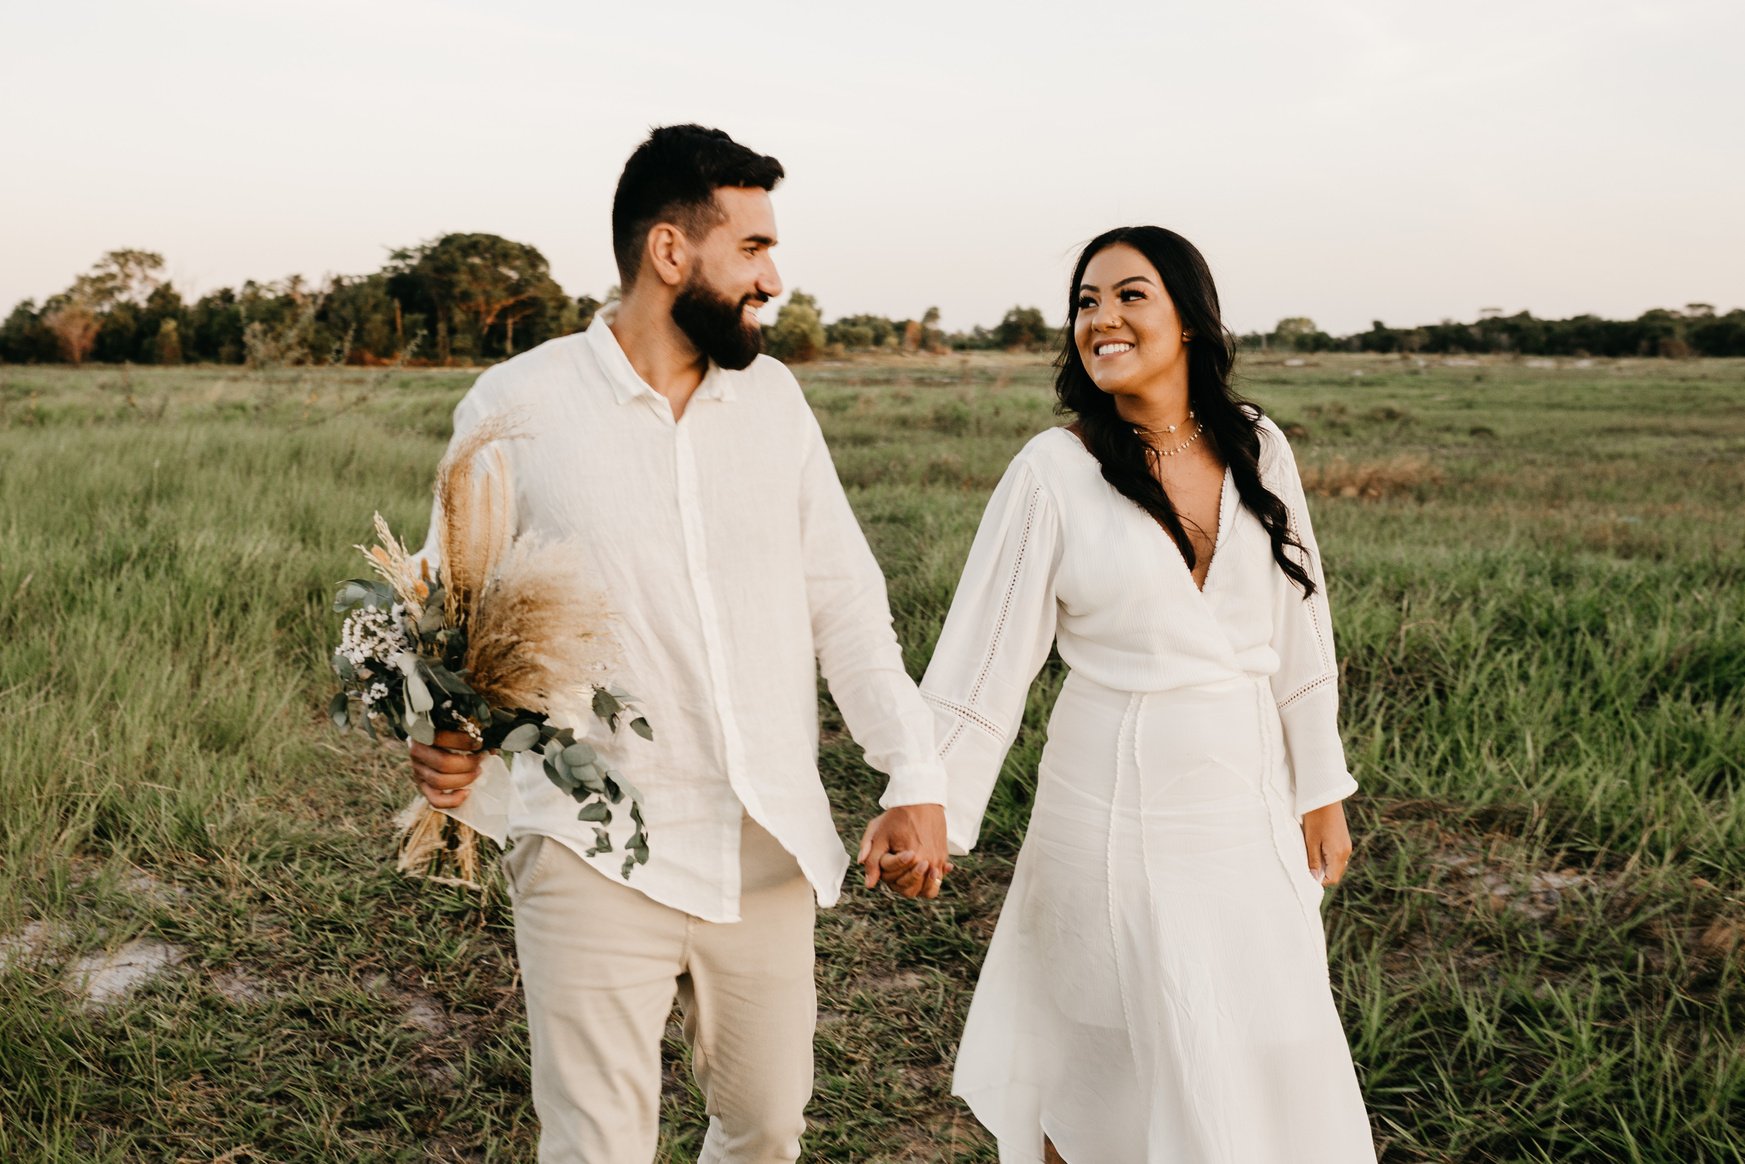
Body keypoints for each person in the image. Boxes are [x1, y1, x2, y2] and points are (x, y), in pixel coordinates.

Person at [406, 124, 950, 1164]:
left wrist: (910, 769)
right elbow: (448, 606)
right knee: (596, 1146)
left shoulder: (775, 402)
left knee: (766, 1125)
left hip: (765, 845)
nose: (773, 277)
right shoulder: (516, 406)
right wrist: (442, 731)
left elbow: (844, 600)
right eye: (750, 248)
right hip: (590, 845)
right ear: (671, 252)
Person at [916, 226, 1377, 1162]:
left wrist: (1319, 786)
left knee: (1260, 1037)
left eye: (1130, 295)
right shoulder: (1054, 469)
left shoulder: (1258, 446)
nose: (1102, 319)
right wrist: (930, 806)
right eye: (1086, 301)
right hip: (1106, 803)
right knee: (1098, 1049)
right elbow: (985, 656)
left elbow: (1303, 627)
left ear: (1189, 319)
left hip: (1241, 801)